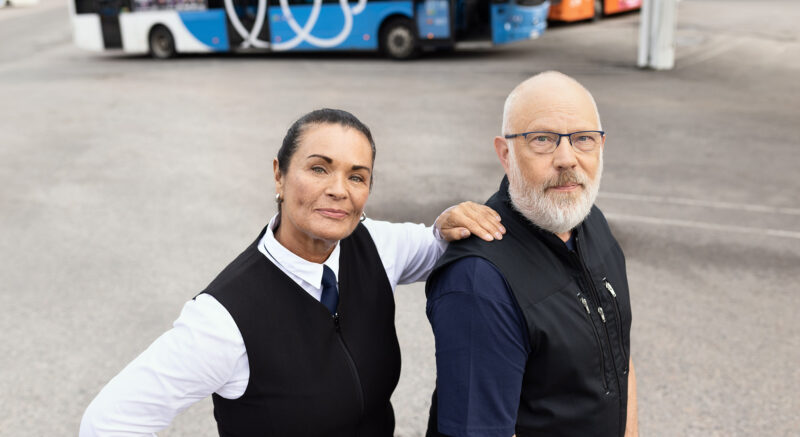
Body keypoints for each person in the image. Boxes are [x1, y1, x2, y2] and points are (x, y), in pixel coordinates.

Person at [80, 108, 505, 437]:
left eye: (357, 177)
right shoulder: (223, 319)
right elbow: (111, 421)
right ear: (279, 175)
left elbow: (440, 241)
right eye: (319, 168)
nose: (339, 189)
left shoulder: (373, 244)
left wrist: (453, 219)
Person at [426, 72, 638, 437]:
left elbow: (620, 354)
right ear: (505, 153)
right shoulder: (480, 281)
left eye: (583, 139)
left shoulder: (592, 224)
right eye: (542, 140)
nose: (567, 159)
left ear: (601, 146)